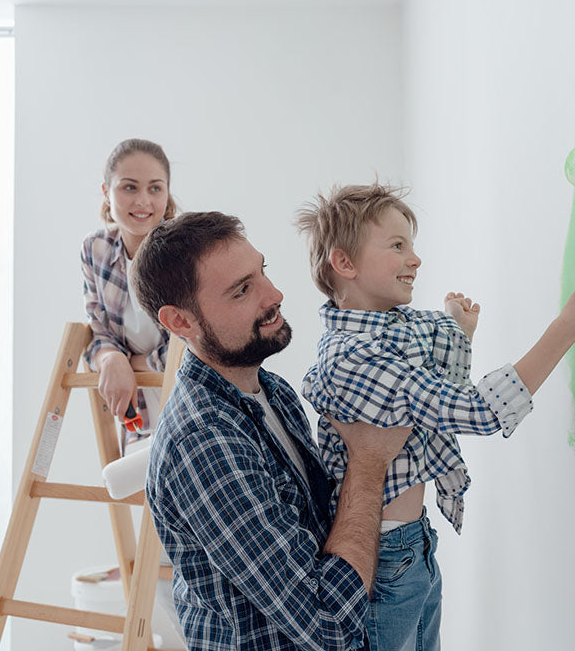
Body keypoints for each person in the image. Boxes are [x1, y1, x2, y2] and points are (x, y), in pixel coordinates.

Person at [295, 182, 575, 651]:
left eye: (413, 245)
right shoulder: (353, 357)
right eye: (398, 246)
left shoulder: (395, 327)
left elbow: (440, 398)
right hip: (383, 557)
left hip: (413, 543)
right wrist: (566, 329)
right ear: (344, 264)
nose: (415, 259)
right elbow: (479, 410)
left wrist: (457, 333)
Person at [130, 211, 413, 651]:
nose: (274, 295)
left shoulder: (272, 390)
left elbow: (322, 535)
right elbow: (328, 625)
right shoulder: (204, 442)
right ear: (180, 322)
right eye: (242, 290)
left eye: (262, 272)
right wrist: (369, 462)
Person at [80, 138, 178, 443]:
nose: (143, 202)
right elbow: (99, 334)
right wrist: (111, 360)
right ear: (106, 192)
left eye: (155, 188)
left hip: (189, 403)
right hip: (136, 411)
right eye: (129, 187)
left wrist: (132, 363)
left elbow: (194, 347)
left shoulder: (184, 252)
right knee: (128, 482)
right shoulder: (95, 249)